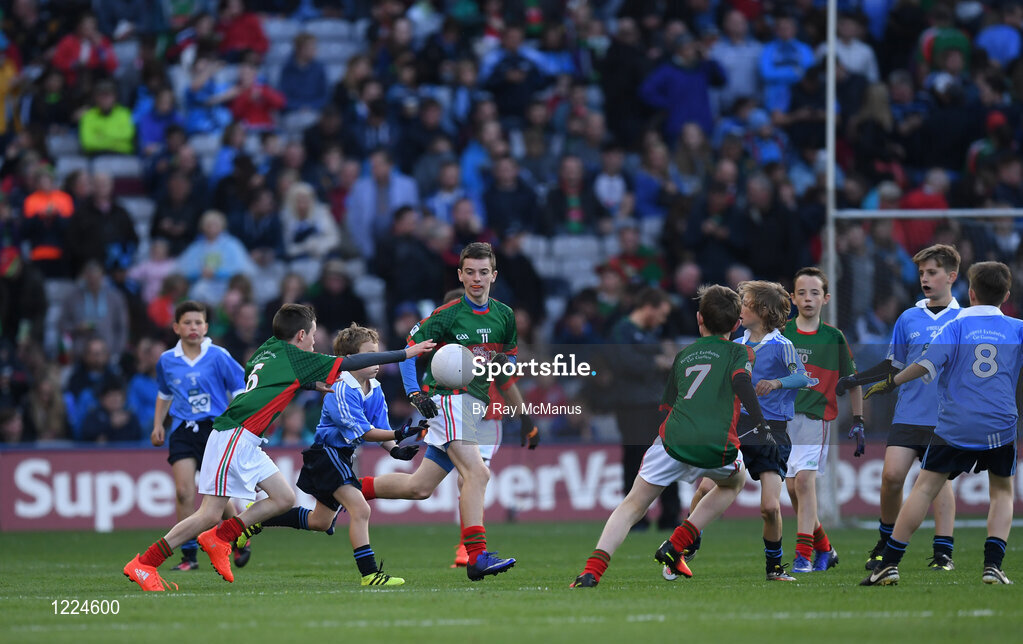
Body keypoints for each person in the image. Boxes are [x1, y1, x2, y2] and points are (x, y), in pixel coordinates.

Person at [122, 303, 435, 591]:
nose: (314, 342)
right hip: (234, 434)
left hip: (248, 438)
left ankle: (224, 536)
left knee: (284, 498)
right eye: (312, 336)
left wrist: (307, 383)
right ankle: (146, 563)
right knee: (208, 514)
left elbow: (257, 379)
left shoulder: (268, 350)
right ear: (301, 335)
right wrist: (404, 355)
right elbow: (351, 362)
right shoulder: (296, 355)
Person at [570, 285, 770, 587]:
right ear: (736, 324)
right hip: (716, 446)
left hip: (672, 441)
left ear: (699, 318)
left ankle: (591, 572)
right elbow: (741, 381)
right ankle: (677, 543)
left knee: (632, 506)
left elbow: (667, 406)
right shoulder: (740, 352)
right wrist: (761, 423)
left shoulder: (683, 355)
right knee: (735, 482)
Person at [361, 243, 528, 581]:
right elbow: (409, 350)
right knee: (478, 474)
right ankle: (476, 556)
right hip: (449, 403)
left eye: (483, 272)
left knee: (419, 488)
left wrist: (521, 410)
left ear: (494, 275)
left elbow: (507, 363)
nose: (476, 279)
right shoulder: (447, 315)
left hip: (473, 408)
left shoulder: (505, 316)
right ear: (460, 275)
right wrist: (413, 392)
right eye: (470, 272)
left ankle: (347, 487)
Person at [860, 262, 1021, 586]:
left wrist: (891, 383)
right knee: (1002, 492)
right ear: (1006, 295)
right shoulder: (1017, 328)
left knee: (923, 489)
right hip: (999, 425)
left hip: (955, 425)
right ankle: (992, 566)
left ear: (971, 293)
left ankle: (888, 564)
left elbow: (923, 364)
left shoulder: (956, 326)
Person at [235, 324, 426, 586]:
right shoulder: (341, 388)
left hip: (341, 456)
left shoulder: (375, 387)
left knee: (320, 521)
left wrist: (396, 450)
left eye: (377, 353)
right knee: (361, 508)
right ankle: (370, 574)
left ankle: (255, 519)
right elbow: (364, 431)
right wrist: (397, 434)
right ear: (352, 360)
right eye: (370, 354)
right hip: (326, 456)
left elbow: (379, 427)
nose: (377, 361)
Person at [837, 244, 962, 572]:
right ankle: (885, 539)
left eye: (932, 272)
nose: (925, 278)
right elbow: (894, 364)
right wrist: (857, 378)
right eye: (921, 272)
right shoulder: (909, 318)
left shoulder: (963, 319)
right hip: (908, 412)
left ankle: (943, 552)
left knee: (940, 482)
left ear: (951, 276)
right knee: (891, 477)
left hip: (946, 416)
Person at [688, 280, 810, 581]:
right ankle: (690, 540)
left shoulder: (783, 346)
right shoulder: (736, 346)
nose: (740, 308)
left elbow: (803, 377)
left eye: (746, 303)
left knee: (769, 507)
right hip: (737, 427)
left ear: (763, 311)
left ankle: (774, 568)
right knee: (704, 488)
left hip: (771, 432)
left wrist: (778, 383)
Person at [150, 301, 248, 572]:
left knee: (217, 496)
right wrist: (158, 423)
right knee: (184, 492)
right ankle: (189, 556)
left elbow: (240, 389)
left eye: (198, 323)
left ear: (206, 327)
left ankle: (238, 538)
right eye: (188, 322)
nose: (193, 327)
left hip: (213, 429)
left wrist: (233, 417)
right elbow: (165, 394)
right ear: (176, 327)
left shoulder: (218, 355)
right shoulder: (167, 361)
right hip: (182, 429)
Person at [781, 267, 861, 573]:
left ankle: (803, 556)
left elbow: (852, 380)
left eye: (814, 292)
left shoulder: (834, 337)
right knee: (792, 488)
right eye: (801, 292)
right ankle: (825, 549)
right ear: (792, 298)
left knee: (804, 482)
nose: (808, 298)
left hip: (816, 420)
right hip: (784, 421)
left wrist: (859, 418)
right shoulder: (783, 333)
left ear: (825, 298)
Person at [607, 287, 678, 531]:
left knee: (668, 456)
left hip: (655, 404)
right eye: (661, 313)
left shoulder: (651, 333)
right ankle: (636, 518)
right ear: (649, 307)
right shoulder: (622, 330)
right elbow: (622, 362)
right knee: (635, 458)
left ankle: (670, 514)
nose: (662, 319)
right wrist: (656, 362)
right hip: (631, 406)